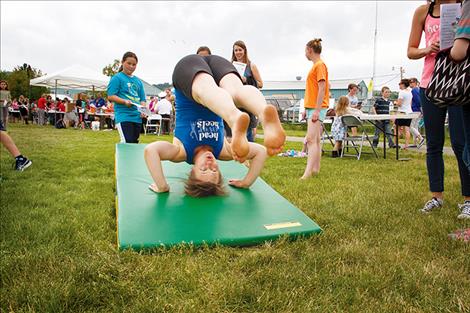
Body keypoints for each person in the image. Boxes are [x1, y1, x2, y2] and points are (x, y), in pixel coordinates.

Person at [144, 54, 285, 197]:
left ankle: (234, 118)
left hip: (188, 70)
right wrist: (246, 182)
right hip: (216, 64)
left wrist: (162, 186)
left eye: (204, 170)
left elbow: (151, 150)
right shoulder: (222, 151)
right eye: (214, 171)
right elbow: (260, 151)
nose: (210, 164)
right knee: (236, 92)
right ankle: (262, 111)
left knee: (205, 91)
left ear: (192, 171)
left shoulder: (181, 152)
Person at [408, 0, 470, 217]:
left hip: (459, 83)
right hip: (430, 84)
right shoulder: (423, 12)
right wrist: (427, 49)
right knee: (434, 143)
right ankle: (436, 196)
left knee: (461, 142)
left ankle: (468, 199)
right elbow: (411, 50)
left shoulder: (465, 6)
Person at [301, 38, 330, 179]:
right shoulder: (317, 65)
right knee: (316, 140)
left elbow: (322, 87)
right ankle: (315, 170)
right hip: (312, 107)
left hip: (316, 108)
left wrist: (317, 111)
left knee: (311, 140)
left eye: (305, 51)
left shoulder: (319, 65)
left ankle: (307, 174)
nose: (305, 53)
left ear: (310, 50)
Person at [107, 51, 146, 143]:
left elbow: (142, 99)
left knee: (134, 143)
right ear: (122, 62)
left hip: (137, 118)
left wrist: (143, 110)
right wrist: (124, 101)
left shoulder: (138, 81)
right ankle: (121, 158)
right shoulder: (117, 78)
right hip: (124, 116)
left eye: (134, 64)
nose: (131, 66)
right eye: (129, 63)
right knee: (126, 143)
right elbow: (111, 96)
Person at [231, 40, 263, 142]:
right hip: (235, 102)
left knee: (248, 132)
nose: (238, 52)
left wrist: (247, 80)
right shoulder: (230, 65)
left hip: (248, 103)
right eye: (236, 50)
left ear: (244, 51)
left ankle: (249, 151)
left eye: (240, 50)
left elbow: (260, 83)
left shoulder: (251, 66)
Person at [395, 79, 414, 150]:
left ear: (403, 84)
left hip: (402, 112)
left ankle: (396, 144)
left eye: (400, 83)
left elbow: (399, 104)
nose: (399, 85)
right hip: (409, 112)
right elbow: (410, 103)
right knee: (407, 129)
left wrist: (395, 103)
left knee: (397, 129)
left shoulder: (401, 92)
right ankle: (406, 146)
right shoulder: (410, 92)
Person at [409, 77, 425, 148]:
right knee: (415, 126)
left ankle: (421, 138)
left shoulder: (414, 90)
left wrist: (421, 109)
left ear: (415, 82)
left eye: (411, 82)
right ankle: (415, 143)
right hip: (419, 110)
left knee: (411, 126)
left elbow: (418, 101)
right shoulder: (418, 90)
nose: (410, 84)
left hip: (415, 110)